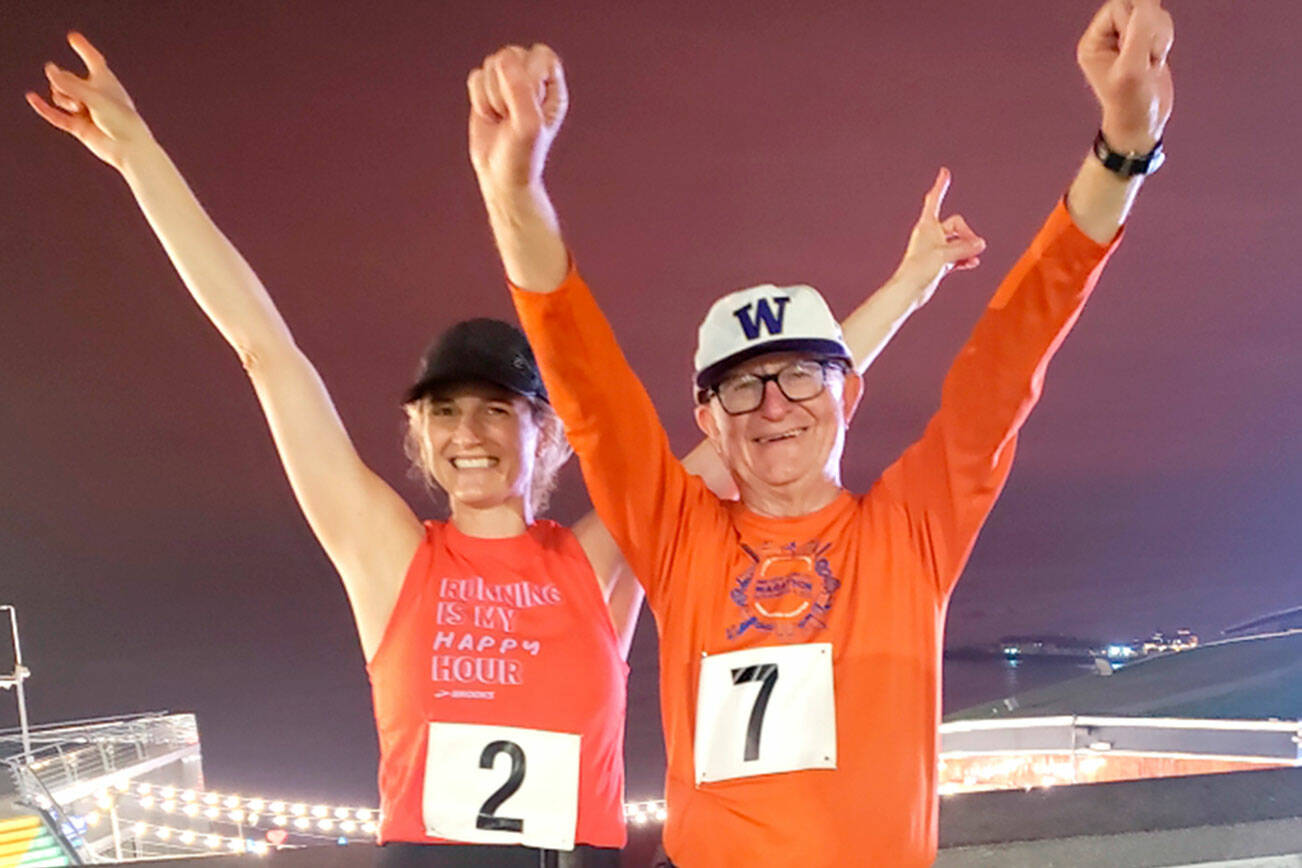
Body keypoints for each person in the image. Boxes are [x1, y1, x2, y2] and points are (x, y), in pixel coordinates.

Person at [26, 33, 967, 866]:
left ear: (546, 433)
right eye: (443, 413)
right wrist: (140, 158)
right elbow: (264, 349)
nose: (468, 434)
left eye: (495, 411)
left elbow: (777, 413)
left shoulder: (606, 559)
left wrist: (909, 288)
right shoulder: (389, 556)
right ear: (420, 437)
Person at [467, 0, 1174, 863]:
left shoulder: (911, 529)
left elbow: (1014, 348)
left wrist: (1123, 148)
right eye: (741, 388)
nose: (773, 407)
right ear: (707, 424)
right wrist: (514, 189)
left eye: (801, 374)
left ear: (850, 392)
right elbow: (582, 376)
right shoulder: (678, 535)